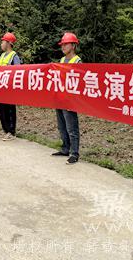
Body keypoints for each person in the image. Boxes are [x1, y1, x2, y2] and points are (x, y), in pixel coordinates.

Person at [52, 32, 82, 165]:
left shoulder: (77, 61)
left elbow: (80, 81)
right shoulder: (62, 60)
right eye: (62, 44)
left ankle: (74, 153)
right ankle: (65, 148)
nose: (63, 47)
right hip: (60, 98)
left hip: (70, 100)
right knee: (62, 126)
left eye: (66, 44)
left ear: (73, 46)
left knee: (72, 127)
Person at [0, 32, 21, 141]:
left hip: (10, 88)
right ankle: (5, 129)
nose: (1, 44)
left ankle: (11, 131)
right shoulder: (1, 56)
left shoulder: (14, 56)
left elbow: (18, 71)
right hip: (1, 86)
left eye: (3, 42)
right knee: (1, 109)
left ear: (9, 43)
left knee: (10, 109)